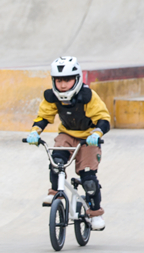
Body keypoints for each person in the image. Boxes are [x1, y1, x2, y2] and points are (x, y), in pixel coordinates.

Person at [26, 56, 110, 231]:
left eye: (67, 80)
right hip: (67, 134)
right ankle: (55, 192)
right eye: (58, 80)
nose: (62, 85)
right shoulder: (52, 96)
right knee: (56, 161)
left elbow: (103, 119)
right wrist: (35, 131)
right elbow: (44, 116)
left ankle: (95, 213)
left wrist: (97, 132)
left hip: (88, 138)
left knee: (88, 179)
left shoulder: (87, 96)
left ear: (77, 79)